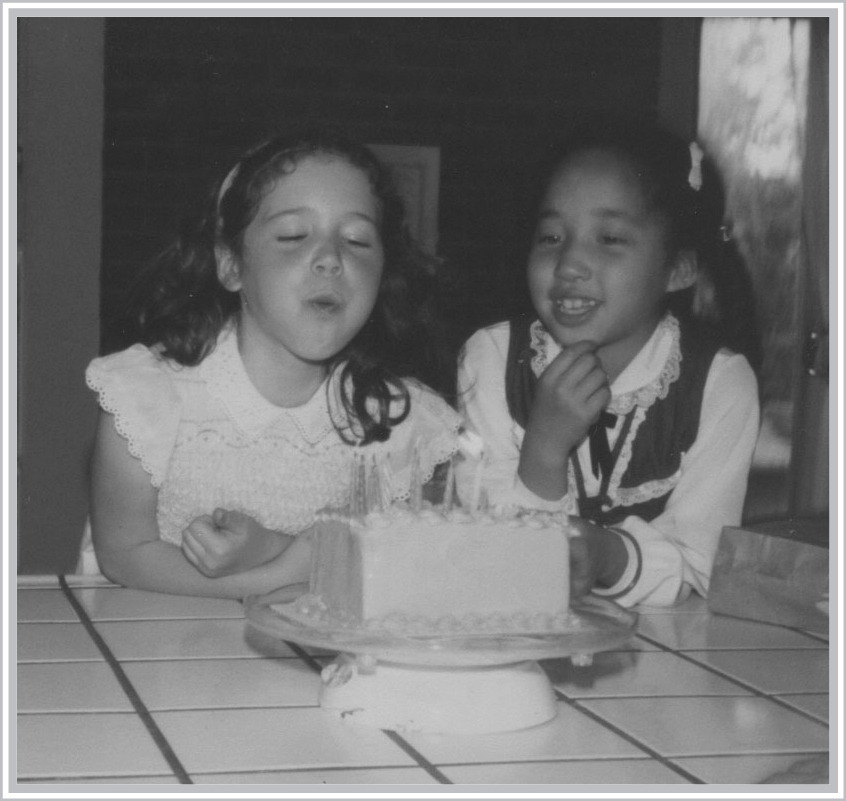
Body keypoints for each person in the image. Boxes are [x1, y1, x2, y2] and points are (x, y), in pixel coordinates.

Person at [83, 130, 461, 598]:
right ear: (231, 264)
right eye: (293, 235)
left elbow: (414, 565)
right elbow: (125, 555)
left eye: (358, 240)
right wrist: (280, 574)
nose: (330, 259)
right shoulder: (146, 396)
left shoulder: (403, 423)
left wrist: (275, 548)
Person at [457, 119, 761, 607]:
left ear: (679, 269)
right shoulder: (492, 358)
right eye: (551, 237)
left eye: (610, 239)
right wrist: (544, 451)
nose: (569, 264)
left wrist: (608, 556)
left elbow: (701, 568)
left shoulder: (719, 384)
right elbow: (481, 551)